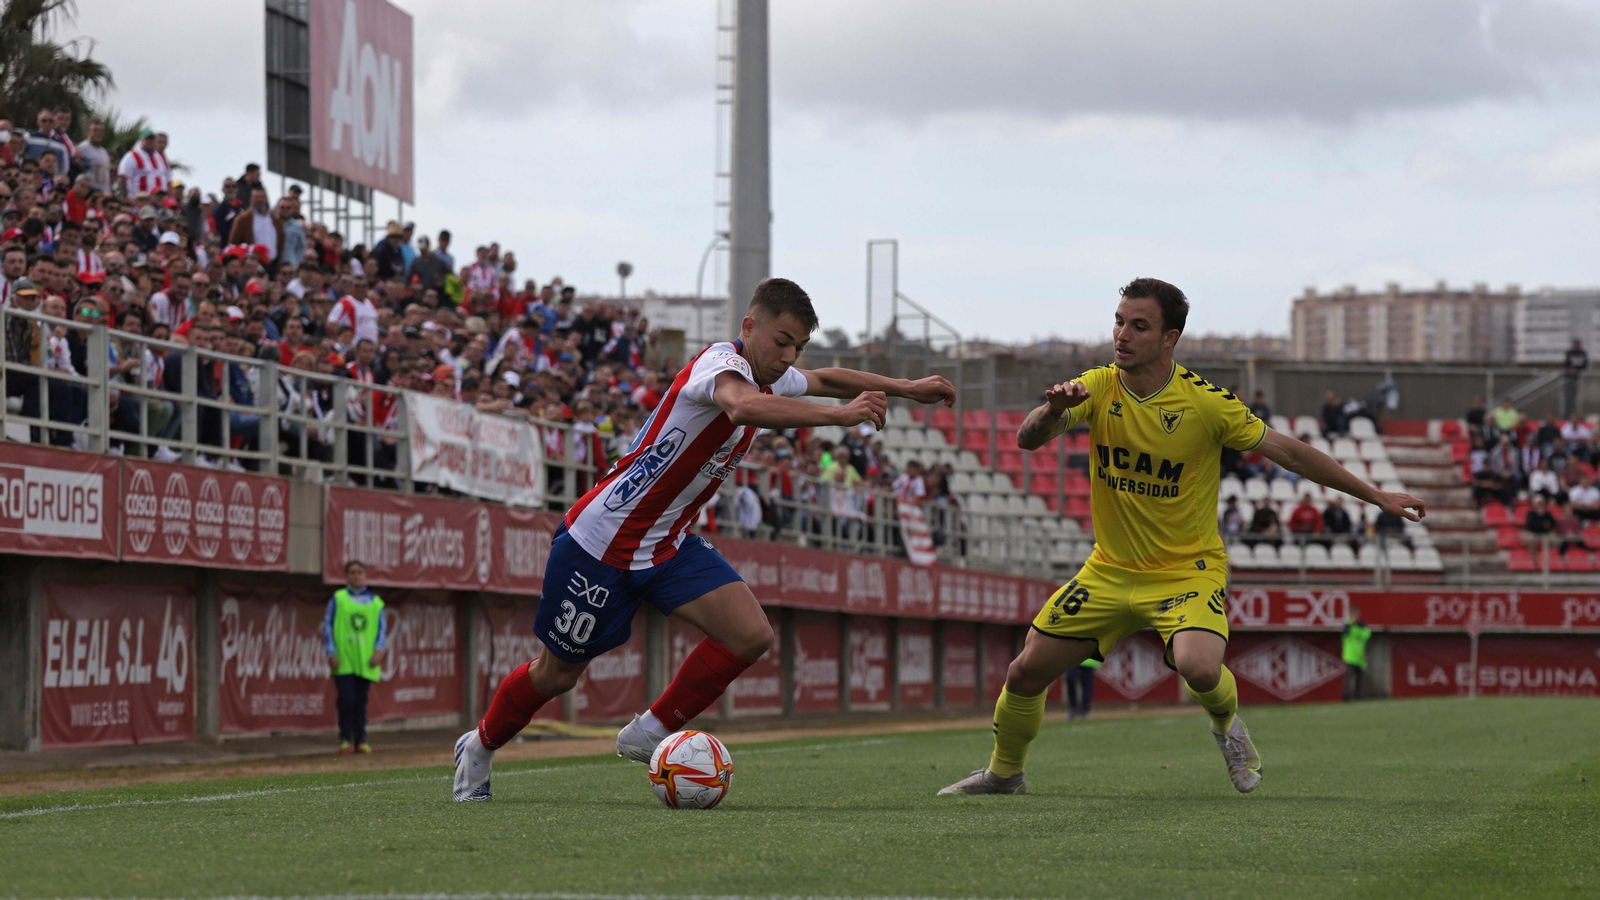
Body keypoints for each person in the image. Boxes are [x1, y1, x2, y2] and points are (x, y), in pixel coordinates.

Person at [452, 277, 956, 801]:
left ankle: (648, 732)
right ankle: (480, 746)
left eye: (798, 347)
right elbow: (741, 408)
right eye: (781, 341)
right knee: (557, 676)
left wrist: (908, 389)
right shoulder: (721, 366)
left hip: (667, 543)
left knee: (751, 635)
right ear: (749, 326)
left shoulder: (772, 376)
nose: (789, 357)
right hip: (602, 543)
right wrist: (842, 417)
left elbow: (827, 377)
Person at [938, 277, 1424, 797]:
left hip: (1185, 572)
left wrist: (1377, 496)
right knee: (1025, 671)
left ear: (1170, 337)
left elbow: (1289, 452)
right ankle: (1004, 773)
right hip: (1109, 570)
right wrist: (1055, 410)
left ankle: (1228, 726)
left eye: (1139, 326)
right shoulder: (1098, 386)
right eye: (1119, 321)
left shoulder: (1205, 404)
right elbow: (1027, 438)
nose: (1122, 335)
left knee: (1197, 666)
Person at [323, 560, 387, 755]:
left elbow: (382, 630)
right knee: (347, 699)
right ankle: (345, 739)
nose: (356, 576)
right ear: (346, 576)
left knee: (361, 701)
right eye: (352, 572)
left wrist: (379, 650)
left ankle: (361, 740)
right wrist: (330, 651)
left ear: (365, 575)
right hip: (344, 660)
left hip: (366, 661)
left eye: (359, 572)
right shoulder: (338, 598)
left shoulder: (376, 603)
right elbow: (327, 625)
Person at [1342, 606, 1371, 702]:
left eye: (1355, 614)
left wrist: (1366, 652)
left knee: (1359, 678)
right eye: (1352, 614)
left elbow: (1367, 638)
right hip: (1350, 655)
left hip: (1360, 656)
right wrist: (1351, 624)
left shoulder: (1362, 626)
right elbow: (1345, 633)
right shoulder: (1347, 625)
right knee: (1349, 677)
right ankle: (1346, 696)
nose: (1354, 616)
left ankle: (1356, 696)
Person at [1563, 339, 1587, 421]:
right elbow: (1566, 364)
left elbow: (1585, 365)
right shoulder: (1569, 353)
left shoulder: (1583, 353)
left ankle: (1578, 416)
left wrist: (1577, 370)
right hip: (1569, 379)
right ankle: (1567, 415)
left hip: (1579, 379)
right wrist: (1570, 370)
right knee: (1568, 399)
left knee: (1578, 399)